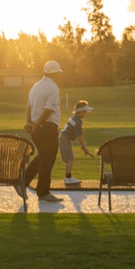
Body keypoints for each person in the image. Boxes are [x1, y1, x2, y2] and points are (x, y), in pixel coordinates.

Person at [21, 60, 65, 203]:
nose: (59, 76)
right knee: (48, 159)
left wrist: (29, 123)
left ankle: (22, 181)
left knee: (42, 157)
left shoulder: (35, 86)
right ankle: (43, 192)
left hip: (37, 129)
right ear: (55, 73)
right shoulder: (53, 88)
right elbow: (48, 110)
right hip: (47, 128)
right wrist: (36, 125)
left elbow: (29, 107)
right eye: (59, 73)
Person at [58, 100, 95, 185]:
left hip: (64, 138)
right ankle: (68, 178)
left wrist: (83, 146)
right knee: (69, 158)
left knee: (69, 158)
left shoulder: (74, 117)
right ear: (80, 112)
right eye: (85, 111)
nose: (86, 113)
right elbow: (80, 136)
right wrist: (84, 148)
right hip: (65, 139)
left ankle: (68, 177)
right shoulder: (77, 122)